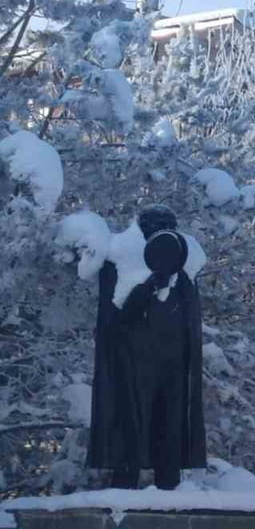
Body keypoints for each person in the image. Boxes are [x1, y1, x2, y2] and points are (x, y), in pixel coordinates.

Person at [86, 205, 206, 489]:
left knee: (171, 432)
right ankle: (124, 492)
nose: (161, 230)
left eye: (167, 225)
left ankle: (169, 493)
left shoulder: (183, 261)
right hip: (132, 364)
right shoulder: (119, 257)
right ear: (143, 228)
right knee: (129, 429)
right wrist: (152, 283)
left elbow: (189, 317)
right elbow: (113, 319)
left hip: (173, 363)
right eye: (156, 225)